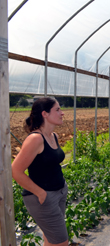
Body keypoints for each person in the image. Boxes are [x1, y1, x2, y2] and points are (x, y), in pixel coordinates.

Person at [12, 97, 68, 246]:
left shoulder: (53, 136)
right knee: (61, 242)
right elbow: (16, 171)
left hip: (59, 192)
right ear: (45, 114)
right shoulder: (35, 139)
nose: (62, 113)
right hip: (44, 197)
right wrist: (41, 193)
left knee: (51, 239)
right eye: (57, 109)